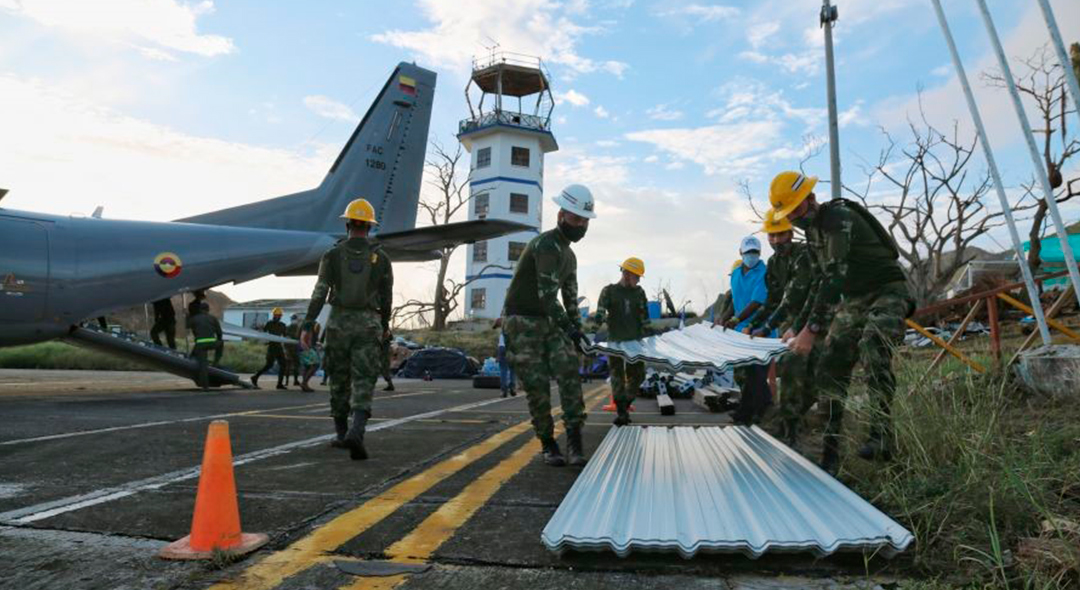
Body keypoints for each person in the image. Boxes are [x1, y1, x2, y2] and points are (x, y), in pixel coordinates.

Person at [770, 170, 915, 474]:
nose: (795, 218)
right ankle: (831, 450)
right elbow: (819, 282)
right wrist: (797, 325)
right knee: (830, 364)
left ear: (811, 199)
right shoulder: (813, 234)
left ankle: (881, 435)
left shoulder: (838, 218)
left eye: (797, 209)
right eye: (789, 213)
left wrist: (811, 331)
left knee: (873, 346)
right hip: (854, 299)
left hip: (886, 289)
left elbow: (834, 277)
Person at [502, 184, 595, 467]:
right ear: (561, 215)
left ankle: (575, 442)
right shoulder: (545, 246)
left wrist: (578, 333)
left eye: (584, 221)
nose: (580, 226)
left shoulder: (570, 255)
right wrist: (570, 329)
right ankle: (548, 442)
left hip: (549, 320)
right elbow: (546, 295)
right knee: (537, 385)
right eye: (576, 219)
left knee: (569, 370)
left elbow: (569, 298)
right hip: (523, 321)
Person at [301, 197, 393, 460]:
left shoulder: (332, 254)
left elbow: (320, 291)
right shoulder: (382, 258)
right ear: (369, 226)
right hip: (367, 324)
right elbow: (387, 297)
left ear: (348, 224)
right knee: (364, 379)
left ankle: (342, 434)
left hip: (339, 324)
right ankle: (358, 431)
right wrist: (384, 324)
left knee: (339, 379)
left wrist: (309, 324)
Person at [744, 209, 820, 446]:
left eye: (781, 235)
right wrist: (754, 324)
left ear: (790, 232)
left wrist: (765, 329)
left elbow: (794, 298)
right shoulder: (774, 263)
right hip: (791, 326)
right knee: (791, 370)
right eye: (772, 236)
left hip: (815, 320)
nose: (776, 241)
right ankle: (790, 430)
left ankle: (806, 425)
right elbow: (774, 301)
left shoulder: (804, 255)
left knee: (818, 378)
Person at [713, 236, 771, 425]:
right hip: (740, 332)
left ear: (759, 254)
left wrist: (737, 318)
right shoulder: (737, 273)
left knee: (757, 374)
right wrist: (725, 318)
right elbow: (735, 302)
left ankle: (763, 411)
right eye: (748, 253)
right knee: (747, 374)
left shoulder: (764, 273)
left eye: (755, 253)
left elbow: (757, 302)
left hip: (761, 331)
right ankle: (745, 413)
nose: (751, 256)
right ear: (741, 253)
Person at [594, 257, 652, 426]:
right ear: (627, 274)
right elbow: (599, 313)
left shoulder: (639, 293)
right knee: (617, 377)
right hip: (615, 342)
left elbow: (645, 318)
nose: (638, 280)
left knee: (638, 376)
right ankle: (621, 413)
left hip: (635, 342)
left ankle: (625, 403)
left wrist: (651, 339)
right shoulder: (609, 291)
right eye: (637, 276)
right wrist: (593, 329)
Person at [187, 301, 223, 391]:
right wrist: (218, 340)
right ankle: (216, 362)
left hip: (200, 345)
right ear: (208, 310)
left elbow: (187, 326)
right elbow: (219, 333)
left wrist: (188, 316)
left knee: (203, 365)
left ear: (199, 310)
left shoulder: (194, 318)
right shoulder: (213, 318)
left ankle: (205, 386)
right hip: (212, 343)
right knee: (221, 344)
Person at [251, 307, 289, 390]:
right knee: (269, 365)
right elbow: (263, 333)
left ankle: (279, 384)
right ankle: (255, 376)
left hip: (278, 347)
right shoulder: (269, 324)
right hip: (272, 346)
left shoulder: (282, 325)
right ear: (274, 315)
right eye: (276, 315)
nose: (278, 316)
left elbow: (285, 336)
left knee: (283, 364)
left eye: (279, 315)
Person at [299, 320, 322, 392]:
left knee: (307, 366)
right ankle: (304, 383)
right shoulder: (308, 325)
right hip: (306, 348)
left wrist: (317, 345)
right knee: (315, 365)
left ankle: (304, 384)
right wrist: (307, 349)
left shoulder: (313, 328)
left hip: (306, 348)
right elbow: (303, 338)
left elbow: (314, 339)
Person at [494, 322, 516, 398]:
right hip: (513, 347)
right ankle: (512, 387)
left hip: (502, 347)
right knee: (512, 368)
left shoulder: (503, 320)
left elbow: (495, 325)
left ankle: (504, 390)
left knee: (503, 369)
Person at [285, 314, 303, 386]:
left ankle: (287, 381)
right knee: (295, 365)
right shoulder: (299, 328)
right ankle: (295, 380)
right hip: (294, 349)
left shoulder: (288, 327)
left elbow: (285, 338)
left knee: (289, 365)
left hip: (290, 349)